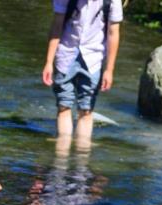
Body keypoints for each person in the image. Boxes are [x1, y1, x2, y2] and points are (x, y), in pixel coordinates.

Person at [42, 0, 122, 146]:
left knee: (86, 110)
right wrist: (49, 62)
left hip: (94, 57)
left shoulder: (112, 2)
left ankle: (81, 162)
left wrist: (109, 70)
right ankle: (61, 160)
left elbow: (113, 33)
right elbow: (57, 26)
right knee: (64, 106)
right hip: (65, 54)